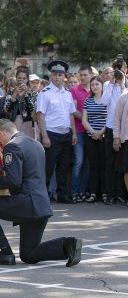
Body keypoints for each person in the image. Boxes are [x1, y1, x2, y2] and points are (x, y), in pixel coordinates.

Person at [0, 119, 82, 267]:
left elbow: (14, 181)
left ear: (1, 133)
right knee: (28, 254)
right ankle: (67, 245)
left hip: (26, 202)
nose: (0, 143)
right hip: (40, 205)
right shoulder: (35, 144)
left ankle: (5, 252)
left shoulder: (12, 147)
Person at [35, 60, 77, 204]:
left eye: (60, 75)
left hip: (66, 133)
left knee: (63, 167)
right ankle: (43, 195)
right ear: (51, 76)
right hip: (51, 134)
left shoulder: (67, 93)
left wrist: (74, 133)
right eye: (55, 74)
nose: (57, 77)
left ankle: (62, 195)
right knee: (48, 167)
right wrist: (44, 136)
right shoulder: (45, 93)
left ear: (64, 76)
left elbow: (71, 114)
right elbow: (40, 115)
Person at [102, 69, 128, 204]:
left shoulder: (126, 88)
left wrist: (123, 83)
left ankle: (122, 193)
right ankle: (111, 193)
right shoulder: (108, 85)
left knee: (123, 164)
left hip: (124, 131)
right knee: (110, 162)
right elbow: (104, 101)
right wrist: (112, 83)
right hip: (111, 128)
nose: (118, 76)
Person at [81, 76, 108, 203]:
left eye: (97, 84)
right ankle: (92, 193)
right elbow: (84, 120)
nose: (95, 86)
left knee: (103, 165)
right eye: (93, 85)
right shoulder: (88, 100)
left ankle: (104, 192)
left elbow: (110, 118)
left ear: (102, 85)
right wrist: (93, 132)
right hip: (91, 136)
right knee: (93, 165)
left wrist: (100, 132)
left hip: (104, 136)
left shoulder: (107, 100)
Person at [69, 65, 93, 202]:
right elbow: (73, 110)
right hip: (78, 131)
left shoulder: (95, 89)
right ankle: (74, 192)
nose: (83, 77)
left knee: (88, 163)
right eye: (81, 75)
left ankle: (83, 191)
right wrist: (87, 119)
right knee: (78, 161)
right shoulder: (74, 90)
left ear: (90, 75)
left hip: (92, 132)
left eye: (85, 74)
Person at [113, 90, 128, 197]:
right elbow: (117, 119)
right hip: (126, 139)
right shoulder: (123, 98)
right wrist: (116, 137)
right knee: (127, 171)